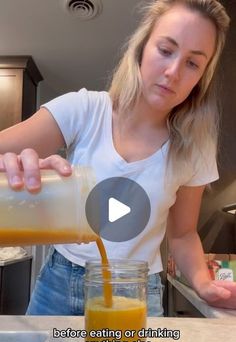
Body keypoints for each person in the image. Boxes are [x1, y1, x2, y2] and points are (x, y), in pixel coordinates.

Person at [0, 0, 235, 315]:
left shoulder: (195, 146)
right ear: (141, 49)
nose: (173, 72)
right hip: (60, 282)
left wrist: (205, 284)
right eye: (166, 50)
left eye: (193, 63)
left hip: (137, 288)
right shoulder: (82, 109)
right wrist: (16, 173)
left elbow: (182, 234)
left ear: (201, 78)